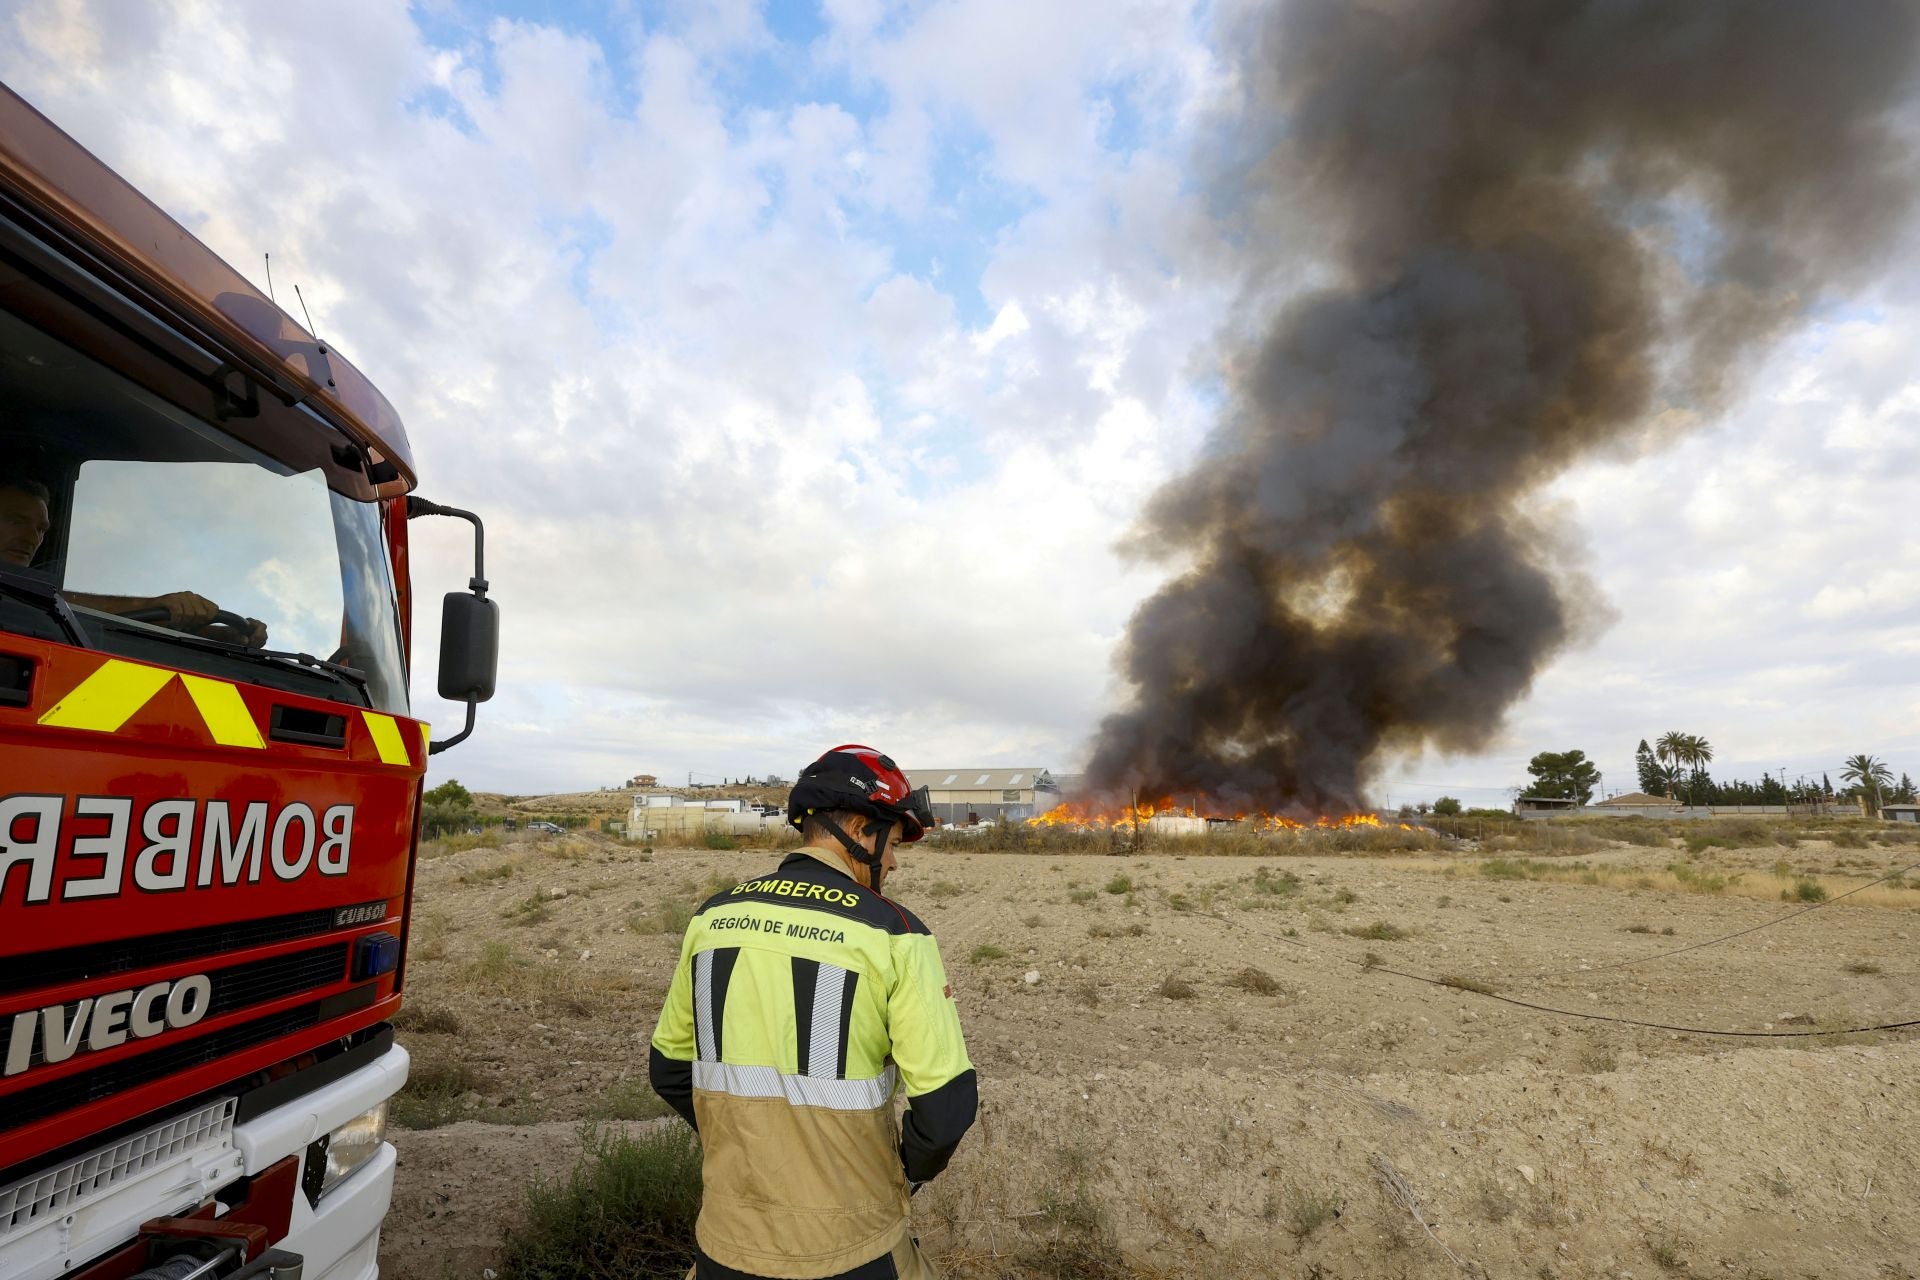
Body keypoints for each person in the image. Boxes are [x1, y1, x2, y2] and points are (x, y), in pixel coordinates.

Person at [651, 746, 977, 1280]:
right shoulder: (894, 934)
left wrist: (745, 1142)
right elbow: (945, 1111)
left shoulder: (713, 917)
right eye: (892, 844)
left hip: (726, 1245)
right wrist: (900, 1177)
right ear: (855, 827)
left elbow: (667, 1071)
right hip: (854, 1247)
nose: (892, 862)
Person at [0, 475, 267, 646]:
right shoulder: (20, 595)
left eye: (41, 529)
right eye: (17, 521)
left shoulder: (35, 608)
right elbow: (44, 600)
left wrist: (221, 636)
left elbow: (94, 627)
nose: (32, 539)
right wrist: (150, 604)